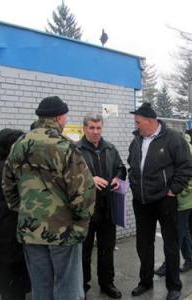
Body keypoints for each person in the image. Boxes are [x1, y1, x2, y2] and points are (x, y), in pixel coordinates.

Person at [2, 96, 96, 300]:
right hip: (64, 231)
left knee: (41, 288)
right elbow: (84, 191)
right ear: (59, 118)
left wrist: (25, 211)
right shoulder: (65, 147)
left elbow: (7, 186)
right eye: (65, 117)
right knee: (68, 289)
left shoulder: (19, 145)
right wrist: (81, 222)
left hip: (31, 230)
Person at [127, 103, 192, 300]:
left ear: (150, 121)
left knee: (170, 244)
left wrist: (173, 190)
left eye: (139, 122)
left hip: (165, 200)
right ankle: (145, 281)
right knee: (144, 244)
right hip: (141, 201)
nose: (136, 126)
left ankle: (174, 286)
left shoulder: (173, 138)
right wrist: (133, 183)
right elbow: (132, 164)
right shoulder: (137, 140)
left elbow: (186, 166)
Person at [77, 113, 126, 299]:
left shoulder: (110, 148)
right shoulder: (76, 150)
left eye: (98, 128)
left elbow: (121, 168)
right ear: (84, 128)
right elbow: (68, 178)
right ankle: (82, 285)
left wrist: (117, 178)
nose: (96, 132)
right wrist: (90, 179)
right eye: (91, 128)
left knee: (107, 250)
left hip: (107, 208)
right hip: (85, 211)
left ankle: (107, 283)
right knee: (84, 252)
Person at [154, 129, 192, 276]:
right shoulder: (178, 145)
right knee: (183, 229)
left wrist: (175, 191)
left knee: (176, 233)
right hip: (183, 197)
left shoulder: (183, 147)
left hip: (185, 198)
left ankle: (169, 264)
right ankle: (190, 259)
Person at [0, 128, 31, 300]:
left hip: (2, 230)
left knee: (9, 283)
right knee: (12, 285)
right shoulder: (9, 169)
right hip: (8, 233)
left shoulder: (2, 165)